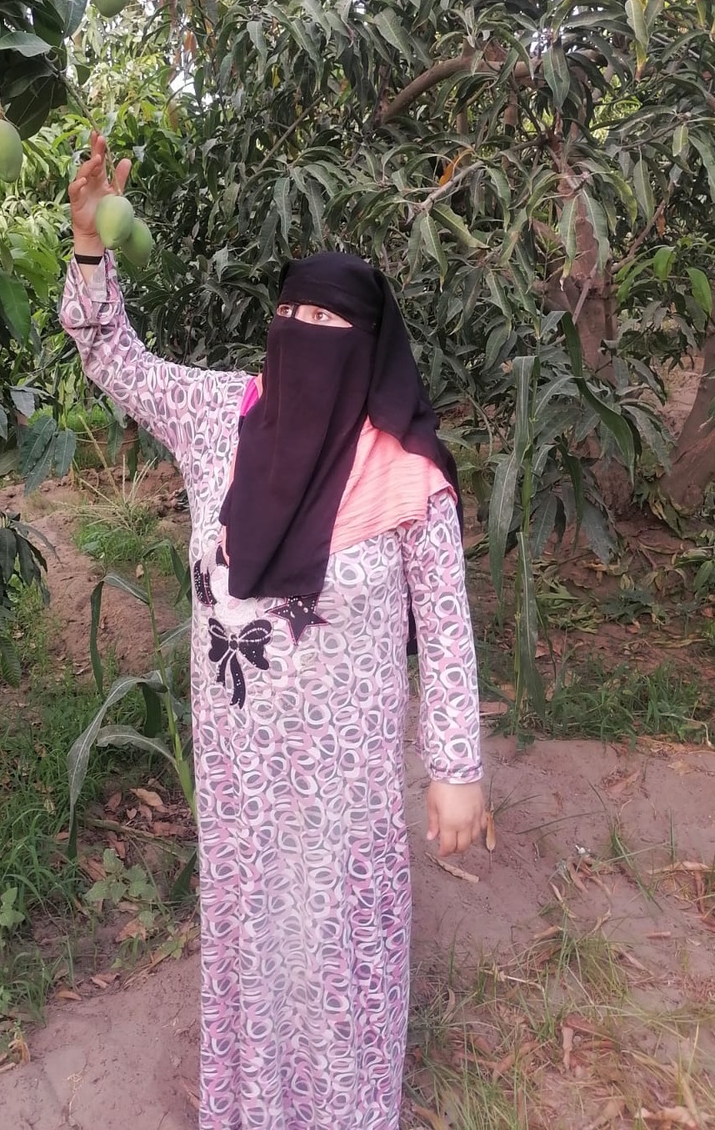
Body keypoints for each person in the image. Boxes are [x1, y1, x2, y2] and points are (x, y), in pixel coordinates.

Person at [61, 131, 485, 1130]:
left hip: (344, 789)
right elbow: (111, 357)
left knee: (336, 957)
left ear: (371, 346)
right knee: (254, 946)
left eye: (330, 320)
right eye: (289, 312)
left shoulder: (406, 474)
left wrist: (454, 765)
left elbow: (451, 632)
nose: (305, 333)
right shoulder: (221, 415)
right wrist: (89, 247)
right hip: (242, 773)